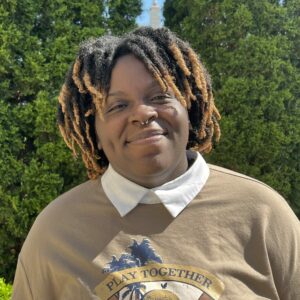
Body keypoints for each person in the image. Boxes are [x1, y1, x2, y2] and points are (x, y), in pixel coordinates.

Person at [12, 27, 300, 300]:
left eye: (160, 96)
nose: (143, 113)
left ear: (190, 106)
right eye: (117, 106)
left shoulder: (263, 214)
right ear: (93, 131)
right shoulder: (55, 233)